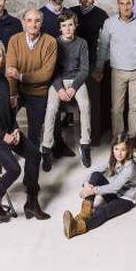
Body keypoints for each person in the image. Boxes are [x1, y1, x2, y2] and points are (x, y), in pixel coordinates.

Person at [0, 40, 49, 221]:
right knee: (13, 169)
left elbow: (8, 111)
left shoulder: (4, 80)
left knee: (34, 154)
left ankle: (32, 202)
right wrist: (3, 136)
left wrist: (14, 130)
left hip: (6, 130)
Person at [95, 0, 136, 149]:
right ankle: (118, 137)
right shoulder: (110, 23)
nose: (126, 7)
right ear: (118, 5)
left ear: (133, 5)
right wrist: (99, 68)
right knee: (117, 108)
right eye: (122, 3)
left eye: (128, 3)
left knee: (135, 107)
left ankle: (132, 138)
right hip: (118, 71)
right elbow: (103, 47)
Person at [62, 133, 136, 238]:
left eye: (123, 150)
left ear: (128, 150)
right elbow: (96, 170)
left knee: (104, 210)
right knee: (96, 175)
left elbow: (114, 187)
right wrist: (86, 185)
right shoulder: (113, 159)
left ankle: (77, 227)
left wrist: (92, 191)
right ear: (113, 148)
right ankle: (85, 213)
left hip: (126, 199)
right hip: (115, 194)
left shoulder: (130, 167)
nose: (119, 153)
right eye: (116, 149)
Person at [41, 11, 91, 171]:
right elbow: (51, 70)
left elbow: (84, 70)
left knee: (85, 106)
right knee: (51, 108)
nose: (68, 28)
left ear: (75, 25)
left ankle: (85, 145)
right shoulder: (54, 43)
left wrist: (73, 88)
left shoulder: (82, 43)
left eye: (70, 24)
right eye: (64, 26)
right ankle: (46, 148)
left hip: (76, 80)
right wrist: (60, 89)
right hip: (58, 80)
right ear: (60, 28)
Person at [5, 8, 57, 149]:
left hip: (38, 92)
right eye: (29, 20)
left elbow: (46, 74)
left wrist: (21, 76)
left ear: (41, 23)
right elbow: (10, 71)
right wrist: (12, 94)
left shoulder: (50, 42)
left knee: (34, 133)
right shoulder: (15, 40)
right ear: (23, 22)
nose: (33, 24)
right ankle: (11, 147)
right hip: (18, 90)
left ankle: (32, 155)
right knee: (3, 115)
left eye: (37, 21)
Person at [71, 0, 108, 71]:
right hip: (72, 55)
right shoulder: (71, 11)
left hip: (91, 56)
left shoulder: (101, 14)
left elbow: (108, 37)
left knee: (89, 83)